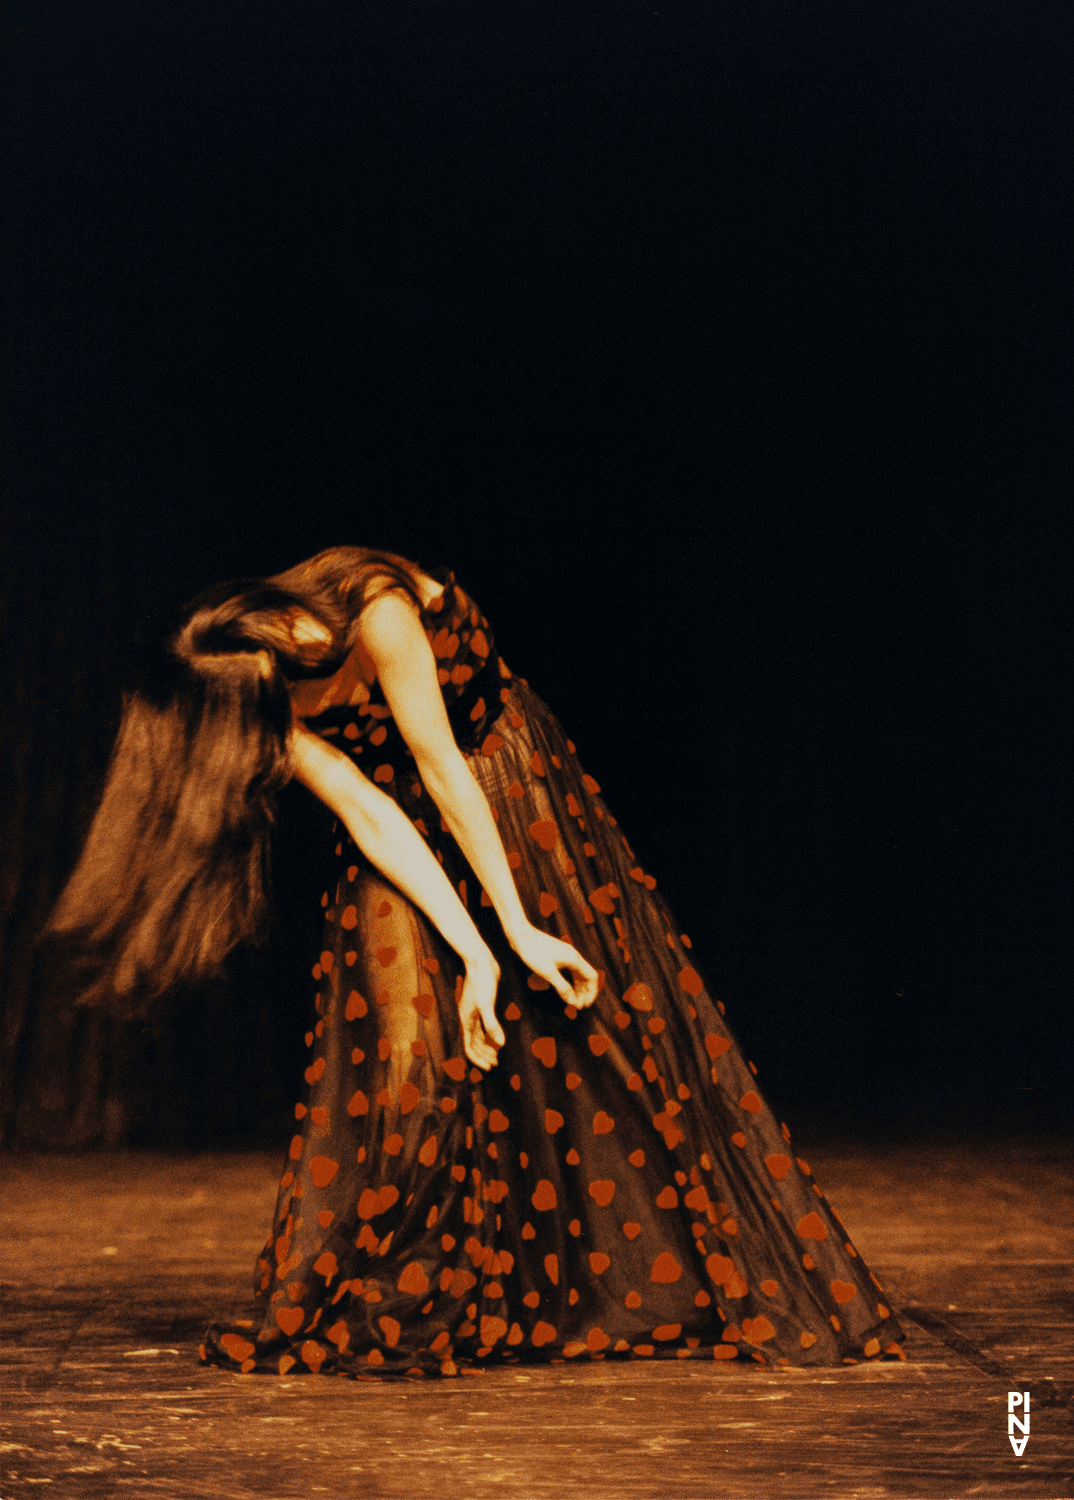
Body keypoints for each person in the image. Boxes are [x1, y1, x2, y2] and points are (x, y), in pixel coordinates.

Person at [50, 545, 905, 1378]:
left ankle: (622, 1283)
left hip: (498, 787)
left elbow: (442, 767)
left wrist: (517, 931)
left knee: (586, 1036)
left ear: (271, 623)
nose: (276, 712)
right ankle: (402, 1288)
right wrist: (472, 955)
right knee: (408, 1050)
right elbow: (367, 809)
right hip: (397, 835)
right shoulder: (260, 705)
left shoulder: (373, 606)